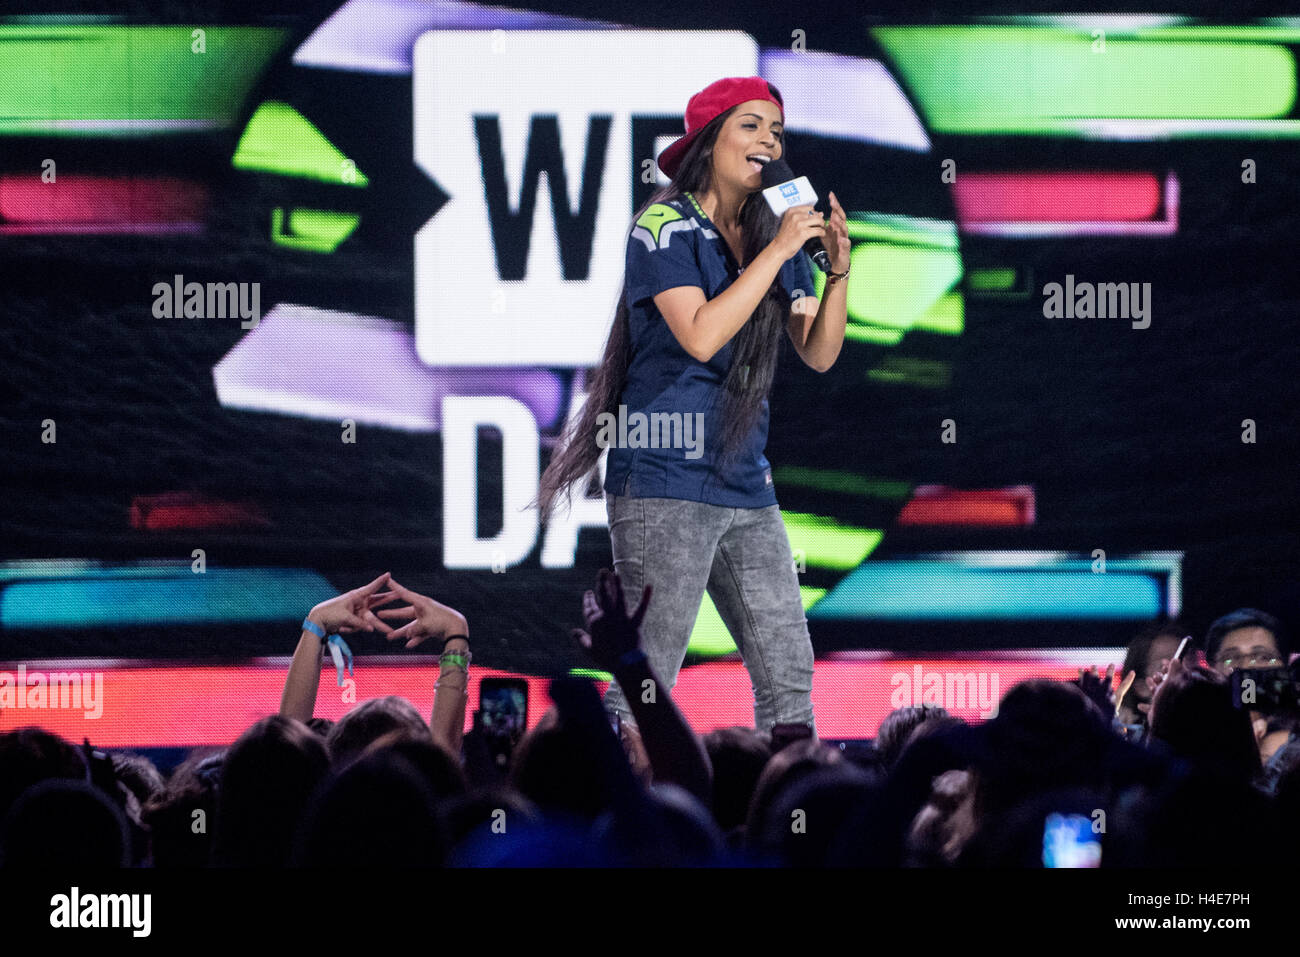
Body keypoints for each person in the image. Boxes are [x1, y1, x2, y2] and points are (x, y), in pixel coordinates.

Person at [536, 75, 850, 749]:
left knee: (788, 671)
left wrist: (837, 275)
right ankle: (626, 815)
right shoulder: (663, 227)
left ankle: (784, 814)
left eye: (777, 131)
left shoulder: (778, 239)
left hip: (744, 480)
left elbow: (818, 352)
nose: (769, 140)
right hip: (663, 474)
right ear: (709, 143)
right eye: (751, 126)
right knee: (649, 676)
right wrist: (777, 252)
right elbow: (702, 332)